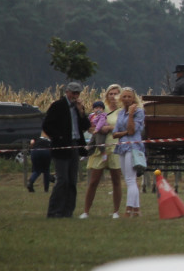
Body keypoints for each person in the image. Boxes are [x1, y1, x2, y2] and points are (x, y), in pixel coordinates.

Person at [41, 80, 91, 218]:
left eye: (78, 93)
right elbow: (47, 125)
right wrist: (59, 138)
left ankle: (68, 211)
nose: (75, 96)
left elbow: (86, 125)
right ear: (67, 92)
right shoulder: (58, 106)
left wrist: (82, 112)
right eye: (73, 93)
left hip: (75, 145)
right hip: (61, 147)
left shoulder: (77, 108)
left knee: (72, 180)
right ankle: (54, 211)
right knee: (62, 179)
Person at [80, 84, 124, 219]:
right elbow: (90, 127)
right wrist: (97, 130)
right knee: (94, 180)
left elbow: (125, 128)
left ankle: (116, 211)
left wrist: (110, 128)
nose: (113, 96)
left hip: (115, 147)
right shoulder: (100, 109)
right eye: (111, 93)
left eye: (116, 93)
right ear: (107, 95)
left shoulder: (122, 111)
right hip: (100, 147)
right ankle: (86, 211)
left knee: (116, 180)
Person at [111, 87, 145, 217]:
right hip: (121, 147)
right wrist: (124, 133)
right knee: (128, 179)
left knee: (131, 179)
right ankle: (136, 210)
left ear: (133, 98)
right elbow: (115, 134)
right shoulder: (120, 113)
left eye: (129, 97)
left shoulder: (139, 112)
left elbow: (132, 130)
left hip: (133, 147)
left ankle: (129, 209)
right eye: (124, 97)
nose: (126, 99)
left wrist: (131, 114)